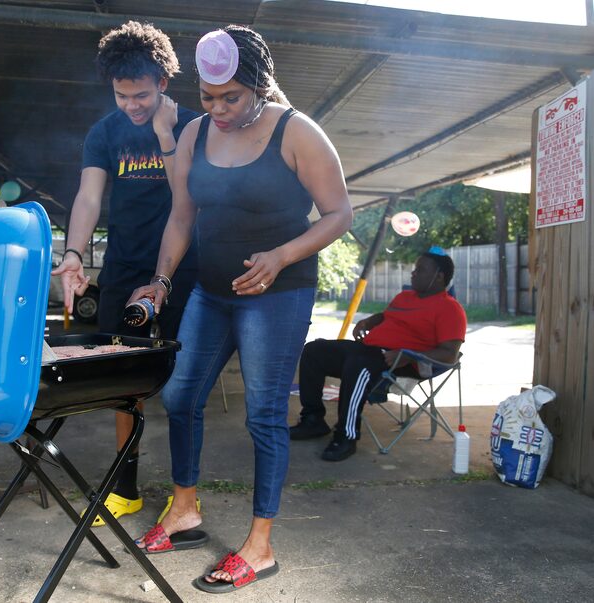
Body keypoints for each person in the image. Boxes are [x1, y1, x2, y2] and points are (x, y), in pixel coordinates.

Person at [129, 25, 352, 594]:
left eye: (232, 97)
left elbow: (338, 214)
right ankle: (184, 513)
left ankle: (260, 546)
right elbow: (182, 217)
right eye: (208, 97)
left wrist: (280, 256)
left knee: (263, 415)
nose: (219, 109)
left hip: (276, 294)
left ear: (257, 85)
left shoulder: (297, 131)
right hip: (211, 290)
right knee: (180, 396)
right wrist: (160, 281)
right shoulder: (194, 135)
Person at [50, 21, 199, 526]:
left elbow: (192, 202)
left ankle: (185, 496)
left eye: (141, 94)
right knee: (121, 379)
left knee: (182, 388)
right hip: (123, 267)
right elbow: (90, 196)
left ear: (163, 81)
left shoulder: (193, 125)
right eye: (121, 95)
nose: (132, 104)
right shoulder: (104, 133)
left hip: (183, 270)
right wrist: (74, 253)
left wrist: (164, 136)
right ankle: (126, 487)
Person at [291, 248, 467, 462]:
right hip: (368, 349)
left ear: (439, 276)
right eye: (415, 269)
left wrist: (409, 355)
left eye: (420, 270)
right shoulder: (405, 297)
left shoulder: (450, 309)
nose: (413, 273)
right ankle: (313, 419)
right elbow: (387, 316)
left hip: (400, 360)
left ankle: (347, 435)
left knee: (359, 365)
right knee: (313, 350)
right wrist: (369, 322)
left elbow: (449, 354)